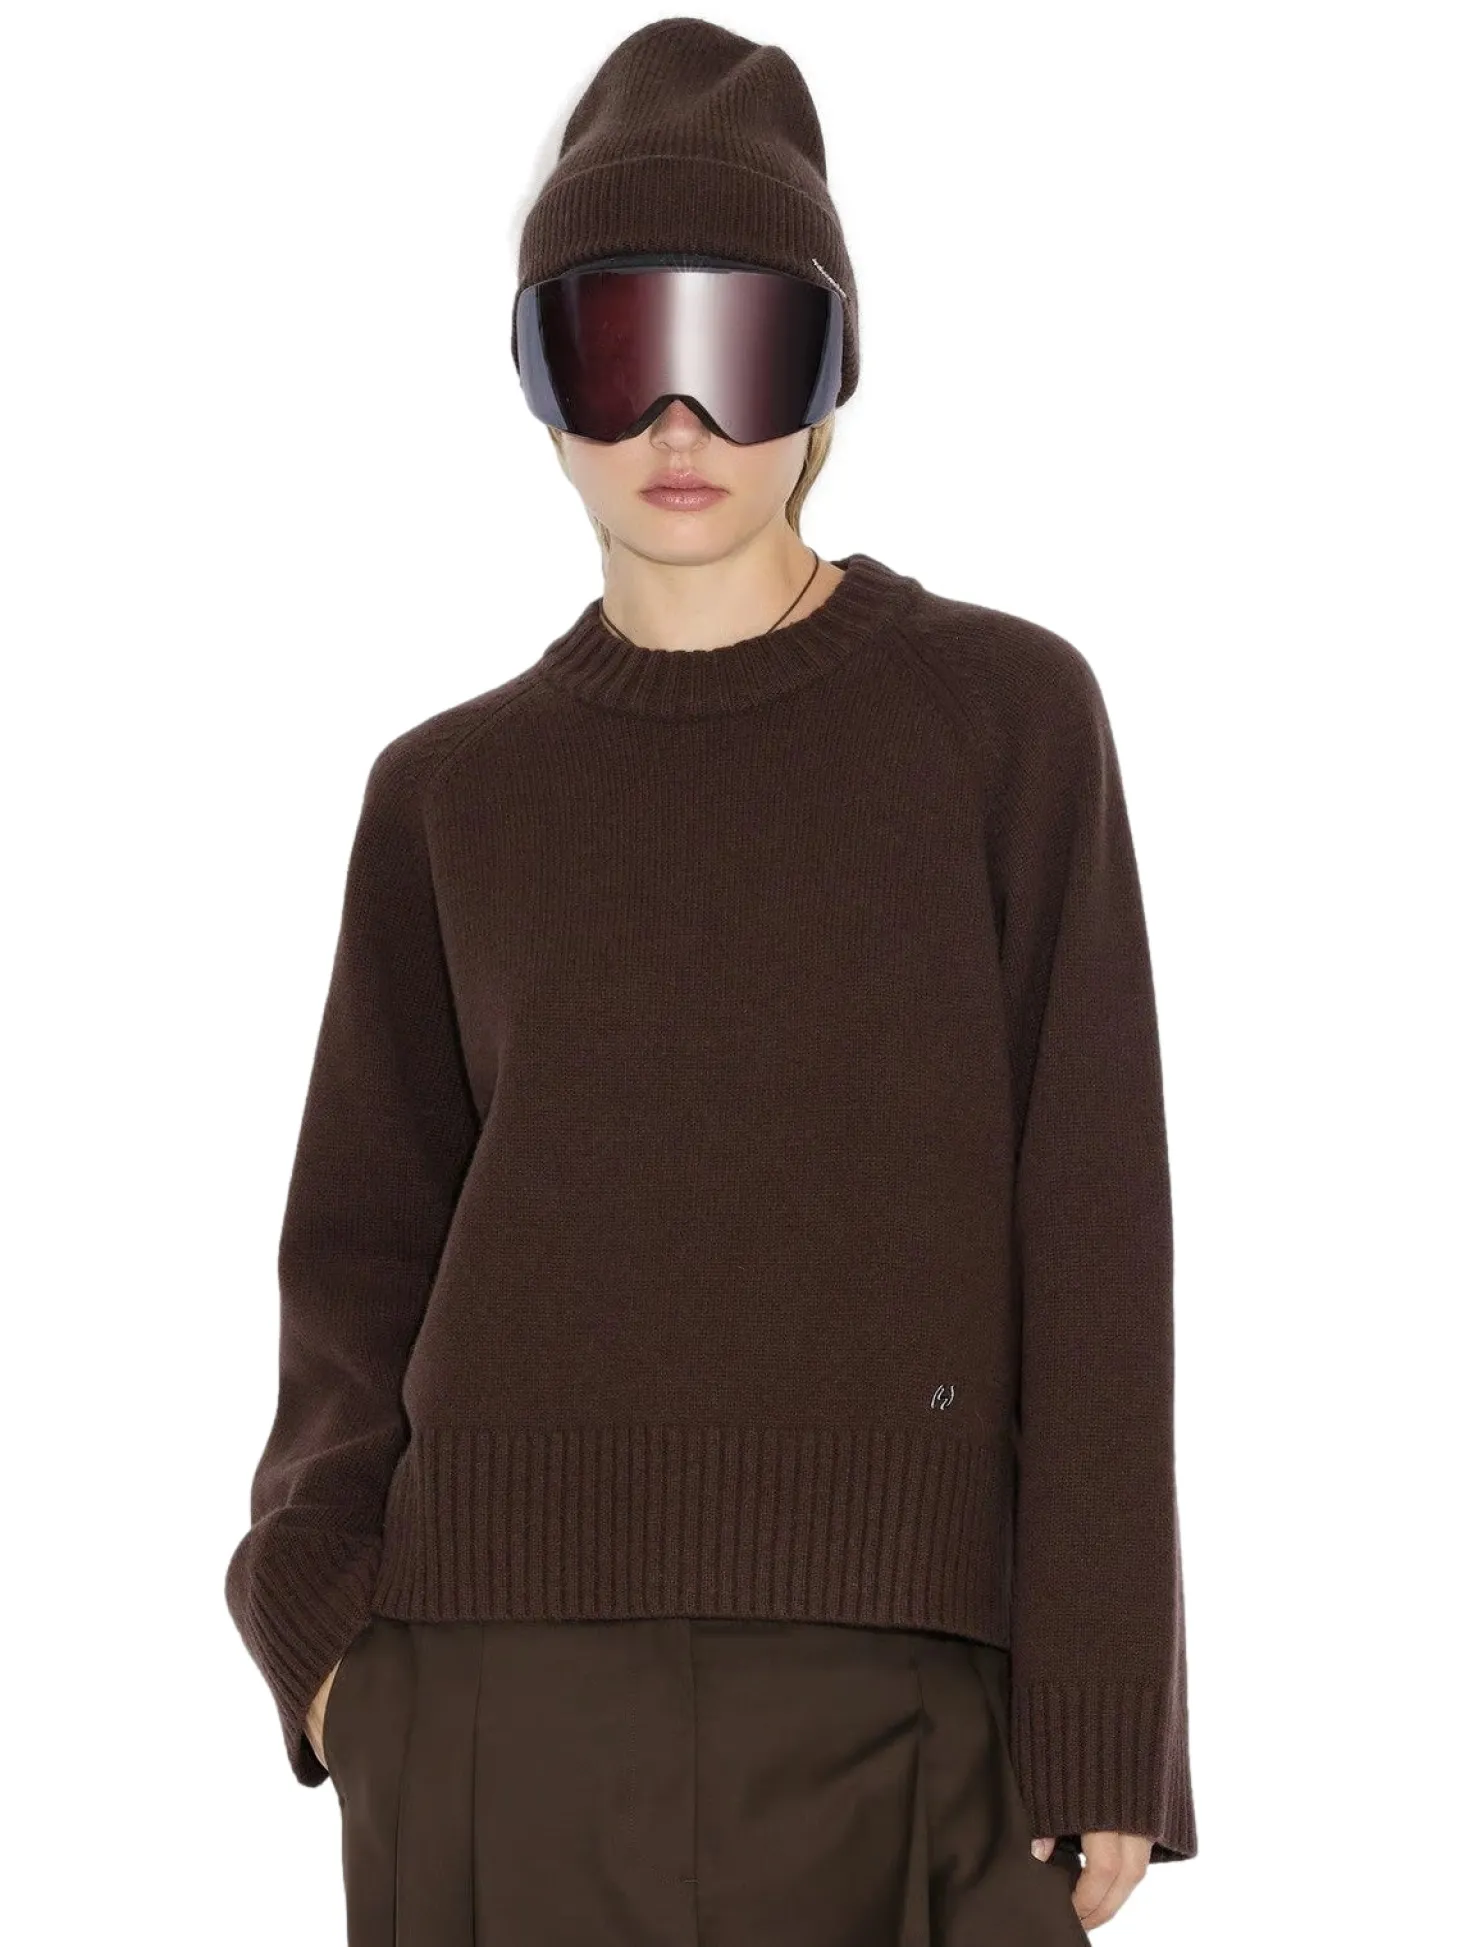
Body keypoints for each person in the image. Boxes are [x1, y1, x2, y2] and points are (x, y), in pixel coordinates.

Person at [224, 18, 1197, 1942]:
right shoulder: (447, 792)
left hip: (918, 1707)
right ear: (537, 374)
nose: (678, 421)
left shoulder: (1004, 721)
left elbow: (1095, 1238)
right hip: (492, 1699)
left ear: (830, 374)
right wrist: (326, 1643)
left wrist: (1108, 1711)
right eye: (615, 343)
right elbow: (356, 1260)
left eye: (743, 345)